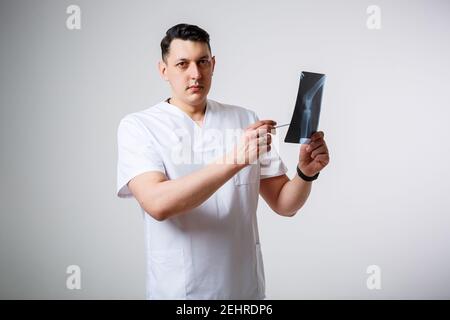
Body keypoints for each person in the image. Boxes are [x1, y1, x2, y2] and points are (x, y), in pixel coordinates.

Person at [116, 23, 330, 300]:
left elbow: (284, 205)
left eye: (202, 62)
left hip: (244, 291)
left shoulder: (245, 120)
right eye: (182, 64)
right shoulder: (139, 126)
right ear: (163, 70)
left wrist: (305, 173)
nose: (195, 74)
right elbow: (158, 204)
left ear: (213, 64)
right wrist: (236, 159)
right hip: (179, 293)